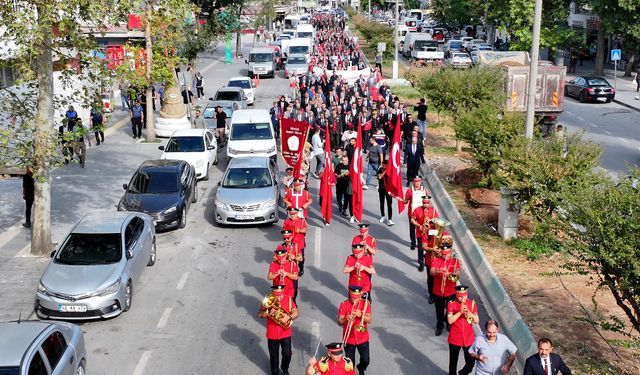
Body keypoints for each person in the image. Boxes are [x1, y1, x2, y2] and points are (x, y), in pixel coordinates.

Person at [258, 284, 299, 375]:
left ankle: (285, 369)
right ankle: (275, 372)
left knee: (287, 353)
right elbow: (260, 314)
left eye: (280, 295)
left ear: (283, 293)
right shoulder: (268, 300)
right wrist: (267, 312)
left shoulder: (288, 300)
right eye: (276, 295)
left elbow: (296, 312)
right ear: (273, 294)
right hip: (272, 334)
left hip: (285, 333)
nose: (278, 298)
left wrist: (289, 317)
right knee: (274, 356)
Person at [338, 286, 372, 375]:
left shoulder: (366, 303)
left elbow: (369, 320)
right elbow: (340, 322)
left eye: (357, 297)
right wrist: (346, 319)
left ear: (360, 296)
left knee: (366, 360)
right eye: (353, 297)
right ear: (349, 294)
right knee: (350, 364)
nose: (355, 300)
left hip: (362, 337)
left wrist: (361, 315)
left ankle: (361, 368)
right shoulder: (344, 304)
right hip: (349, 339)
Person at [447, 285, 479, 375]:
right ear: (456, 295)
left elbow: (476, 320)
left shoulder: (472, 304)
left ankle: (463, 373)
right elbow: (450, 321)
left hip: (468, 338)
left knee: (471, 362)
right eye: (460, 296)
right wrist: (460, 312)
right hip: (455, 338)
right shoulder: (451, 303)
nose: (462, 298)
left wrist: (468, 311)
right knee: (453, 362)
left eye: (464, 296)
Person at [430, 244, 460, 336]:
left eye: (446, 254)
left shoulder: (455, 262)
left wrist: (449, 274)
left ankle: (448, 322)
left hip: (450, 291)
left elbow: (457, 275)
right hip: (438, 291)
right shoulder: (436, 260)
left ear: (450, 253)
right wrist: (438, 271)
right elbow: (431, 272)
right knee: (439, 310)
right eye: (443, 254)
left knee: (450, 309)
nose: (444, 256)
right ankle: (439, 325)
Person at [410, 195, 438, 272]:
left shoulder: (433, 210)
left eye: (427, 203)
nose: (426, 204)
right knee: (420, 249)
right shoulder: (417, 209)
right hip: (421, 232)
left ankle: (429, 261)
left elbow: (437, 221)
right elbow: (412, 219)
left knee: (430, 248)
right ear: (422, 202)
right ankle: (421, 263)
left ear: (429, 203)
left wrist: (430, 220)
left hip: (431, 233)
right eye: (424, 202)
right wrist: (419, 225)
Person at [404, 177, 428, 251]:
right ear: (413, 182)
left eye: (419, 182)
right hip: (412, 213)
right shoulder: (409, 191)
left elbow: (427, 201)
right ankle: (413, 243)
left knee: (421, 229)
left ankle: (420, 243)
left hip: (422, 213)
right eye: (416, 182)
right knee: (412, 229)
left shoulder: (424, 191)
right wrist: (401, 200)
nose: (417, 183)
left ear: (420, 182)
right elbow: (406, 201)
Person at [282, 207, 308, 276]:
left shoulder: (302, 221)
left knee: (301, 257)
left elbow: (305, 230)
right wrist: (288, 238)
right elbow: (284, 232)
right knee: (290, 257)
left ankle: (301, 268)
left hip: (300, 243)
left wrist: (299, 230)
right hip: (290, 243)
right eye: (291, 214)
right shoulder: (286, 221)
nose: (292, 216)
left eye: (294, 214)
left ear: (297, 213)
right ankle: (291, 270)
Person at [377, 160, 394, 225]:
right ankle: (382, 216)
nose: (384, 166)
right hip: (381, 190)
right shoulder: (380, 170)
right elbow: (380, 177)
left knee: (389, 205)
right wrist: (385, 171)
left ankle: (390, 219)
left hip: (389, 190)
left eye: (386, 165)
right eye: (383, 165)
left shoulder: (390, 171)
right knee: (382, 203)